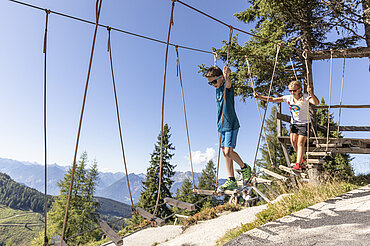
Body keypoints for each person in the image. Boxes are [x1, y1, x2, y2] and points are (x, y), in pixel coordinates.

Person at [253, 81, 320, 170]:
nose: (292, 92)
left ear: (299, 89)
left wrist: (311, 93)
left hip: (304, 123)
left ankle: (298, 164)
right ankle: (302, 159)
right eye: (290, 91)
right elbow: (273, 99)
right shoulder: (288, 98)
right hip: (294, 124)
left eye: (294, 91)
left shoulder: (305, 97)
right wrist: (260, 97)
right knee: (293, 142)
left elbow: (316, 102)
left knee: (300, 143)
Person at [205, 66, 251, 190]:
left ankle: (244, 167)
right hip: (221, 125)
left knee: (228, 151)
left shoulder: (227, 86)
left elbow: (228, 83)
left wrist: (227, 76)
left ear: (221, 78)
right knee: (225, 154)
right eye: (210, 83)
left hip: (231, 124)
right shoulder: (218, 89)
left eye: (214, 81)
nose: (213, 84)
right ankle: (231, 179)